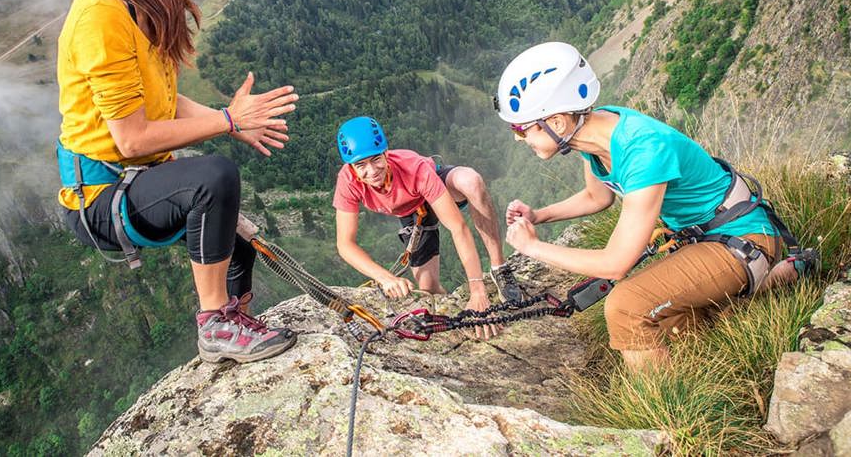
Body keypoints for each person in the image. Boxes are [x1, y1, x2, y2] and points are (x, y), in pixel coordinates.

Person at [56, 0, 299, 364]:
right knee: (215, 178)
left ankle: (234, 314)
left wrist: (225, 121)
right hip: (101, 198)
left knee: (237, 234)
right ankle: (214, 326)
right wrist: (228, 122)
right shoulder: (101, 12)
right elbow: (131, 139)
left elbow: (161, 100)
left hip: (132, 180)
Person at [495, 42, 804, 371]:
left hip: (739, 240)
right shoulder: (596, 134)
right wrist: (539, 216)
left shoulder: (643, 150)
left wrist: (532, 247)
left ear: (556, 122)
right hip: (704, 238)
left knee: (627, 308)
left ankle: (666, 414)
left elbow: (615, 264)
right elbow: (597, 197)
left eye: (520, 129)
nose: (518, 138)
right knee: (683, 335)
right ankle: (773, 280)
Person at [332, 116, 525, 339]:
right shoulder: (348, 182)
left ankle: (499, 267)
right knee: (429, 289)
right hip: (410, 213)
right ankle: (456, 309)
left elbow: (458, 228)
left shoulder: (415, 169)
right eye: (361, 165)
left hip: (438, 187)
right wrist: (386, 278)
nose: (372, 171)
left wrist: (478, 290)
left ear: (386, 153)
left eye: (376, 159)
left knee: (471, 181)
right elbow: (345, 244)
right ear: (351, 167)